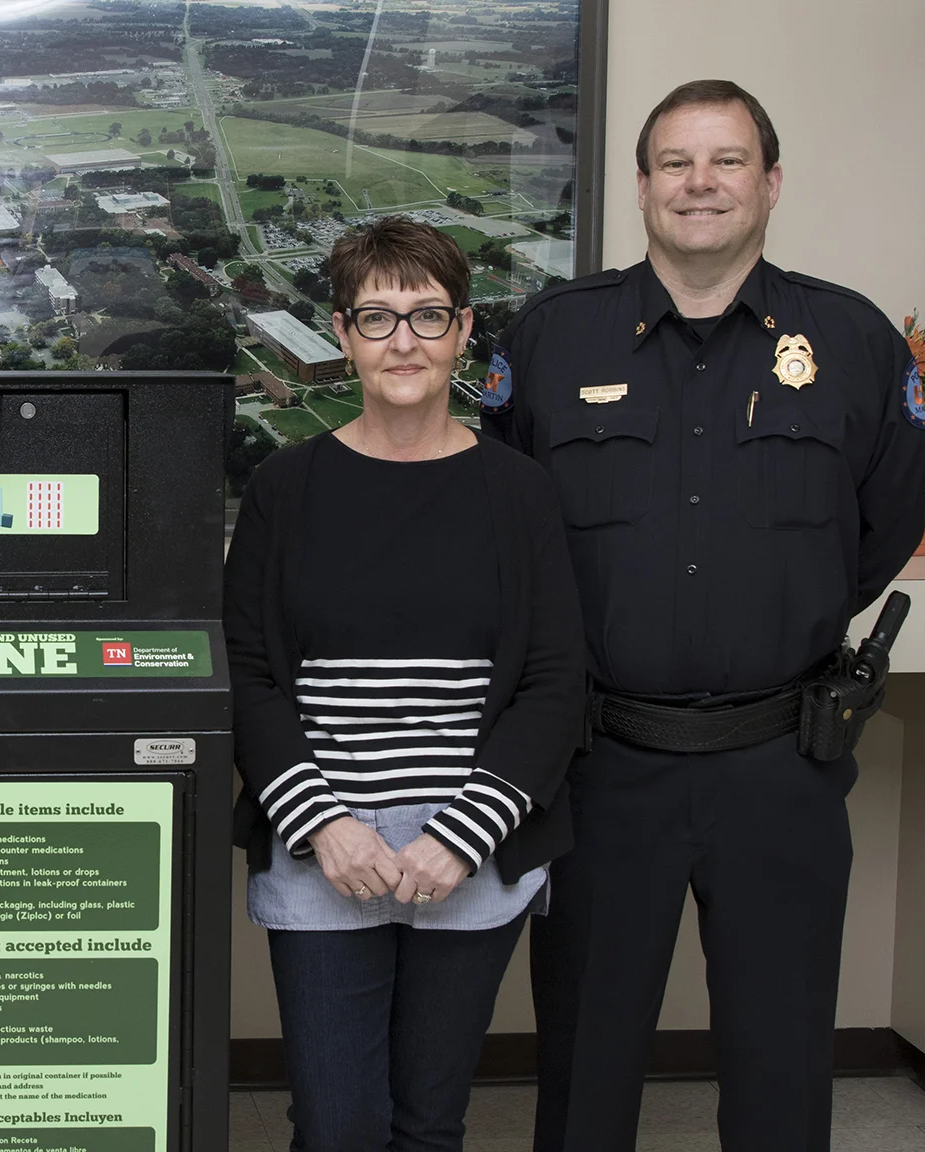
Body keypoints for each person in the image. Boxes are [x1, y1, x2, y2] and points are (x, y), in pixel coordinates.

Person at [484, 80, 925, 1152]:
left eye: (725, 161)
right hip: (598, 767)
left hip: (780, 764)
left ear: (768, 182)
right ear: (640, 187)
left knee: (780, 1064)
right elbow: (500, 536)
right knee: (583, 1067)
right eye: (675, 162)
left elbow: (875, 533)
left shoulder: (851, 340)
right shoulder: (551, 338)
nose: (700, 183)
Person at [226, 216, 587, 1151]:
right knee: (337, 1126)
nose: (404, 343)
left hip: (466, 846)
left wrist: (460, 837)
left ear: (465, 331)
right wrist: (322, 825)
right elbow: (253, 676)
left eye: (428, 316)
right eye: (377, 318)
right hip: (323, 848)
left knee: (430, 1122)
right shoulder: (285, 487)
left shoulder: (519, 494)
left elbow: (553, 681)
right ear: (341, 333)